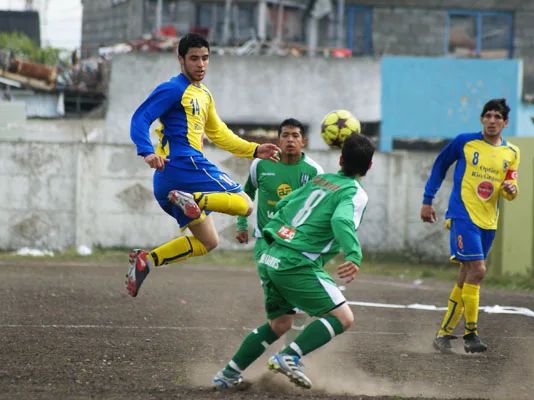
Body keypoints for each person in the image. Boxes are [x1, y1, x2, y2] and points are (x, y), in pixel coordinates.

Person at [211, 133, 375, 390]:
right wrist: (353, 254)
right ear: (370, 166)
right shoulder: (355, 193)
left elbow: (286, 202)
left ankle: (227, 375)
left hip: (270, 254)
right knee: (343, 317)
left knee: (280, 323)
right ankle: (290, 356)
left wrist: (277, 235)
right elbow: (341, 221)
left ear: (340, 159)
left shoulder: (321, 179)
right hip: (294, 262)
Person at [126, 33, 280, 298]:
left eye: (205, 58)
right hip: (184, 166)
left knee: (209, 241)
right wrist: (146, 152)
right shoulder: (173, 89)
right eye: (194, 58)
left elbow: (220, 135)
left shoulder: (204, 94)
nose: (200, 64)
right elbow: (140, 118)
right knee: (245, 204)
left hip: (167, 183)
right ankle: (194, 199)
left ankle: (147, 261)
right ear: (180, 60)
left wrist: (254, 149)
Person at [420, 98, 520, 354]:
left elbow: (510, 190)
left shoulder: (512, 153)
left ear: (505, 123)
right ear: (481, 119)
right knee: (478, 270)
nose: (492, 120)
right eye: (488, 115)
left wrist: (511, 189)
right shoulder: (465, 141)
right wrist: (427, 200)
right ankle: (471, 333)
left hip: (489, 220)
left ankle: (443, 335)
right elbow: (440, 165)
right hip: (463, 215)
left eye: (497, 117)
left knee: (466, 276)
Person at [235, 118, 324, 346]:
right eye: (285, 135)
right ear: (278, 139)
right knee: (282, 310)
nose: (290, 140)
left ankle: (288, 355)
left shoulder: (314, 171)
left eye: (295, 135)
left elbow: (320, 210)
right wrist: (242, 224)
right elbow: (246, 193)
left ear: (303, 141)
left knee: (298, 307)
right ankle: (282, 356)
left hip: (297, 246)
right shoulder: (261, 165)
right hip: (267, 244)